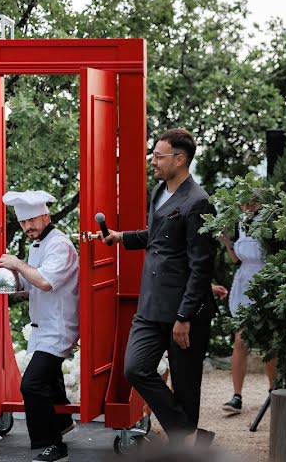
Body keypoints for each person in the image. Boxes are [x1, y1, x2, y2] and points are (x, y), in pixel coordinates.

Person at [101, 128, 217, 446]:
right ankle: (190, 435)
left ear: (179, 159)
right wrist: (122, 236)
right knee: (135, 368)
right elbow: (156, 237)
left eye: (158, 156)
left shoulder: (199, 203)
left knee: (186, 385)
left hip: (184, 312)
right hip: (151, 305)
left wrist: (184, 316)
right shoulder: (158, 192)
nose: (153, 161)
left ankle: (186, 445)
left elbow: (201, 266)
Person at [0, 190, 79, 462]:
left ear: (46, 215)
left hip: (59, 327)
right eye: (22, 223)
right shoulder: (36, 246)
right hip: (43, 326)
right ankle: (63, 422)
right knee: (49, 380)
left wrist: (17, 263)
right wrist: (11, 278)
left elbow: (45, 282)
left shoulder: (59, 244)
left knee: (31, 385)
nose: (28, 227)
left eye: (32, 220)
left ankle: (54, 445)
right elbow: (32, 285)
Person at [219, 196, 276, 415]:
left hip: (265, 281)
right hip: (244, 282)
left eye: (251, 202)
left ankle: (273, 390)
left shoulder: (270, 220)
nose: (247, 206)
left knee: (269, 340)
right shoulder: (241, 222)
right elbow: (236, 259)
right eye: (244, 202)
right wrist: (225, 241)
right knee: (240, 340)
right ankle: (237, 396)